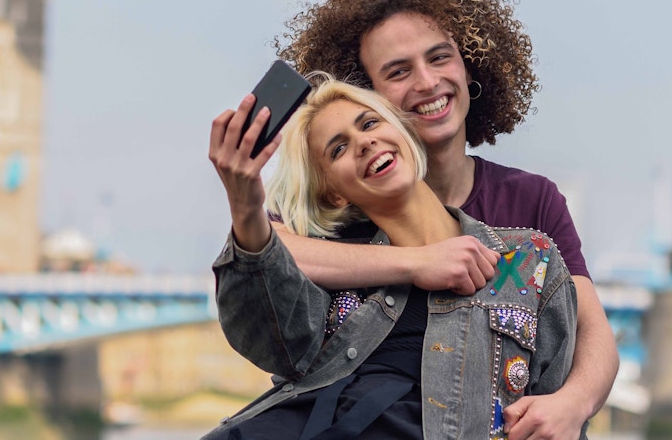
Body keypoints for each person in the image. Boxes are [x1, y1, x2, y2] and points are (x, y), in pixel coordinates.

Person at [267, 0, 618, 440]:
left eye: (439, 57)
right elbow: (264, 258)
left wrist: (573, 405)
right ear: (366, 95)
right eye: (398, 71)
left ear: (470, 66)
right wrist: (418, 263)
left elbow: (592, 330)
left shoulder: (532, 200)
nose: (428, 81)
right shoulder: (335, 206)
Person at [207, 77, 578, 439]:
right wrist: (245, 207)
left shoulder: (526, 259)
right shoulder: (335, 272)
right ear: (335, 194)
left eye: (370, 123)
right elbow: (269, 336)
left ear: (404, 132)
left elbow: (555, 414)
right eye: (338, 149)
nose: (364, 142)